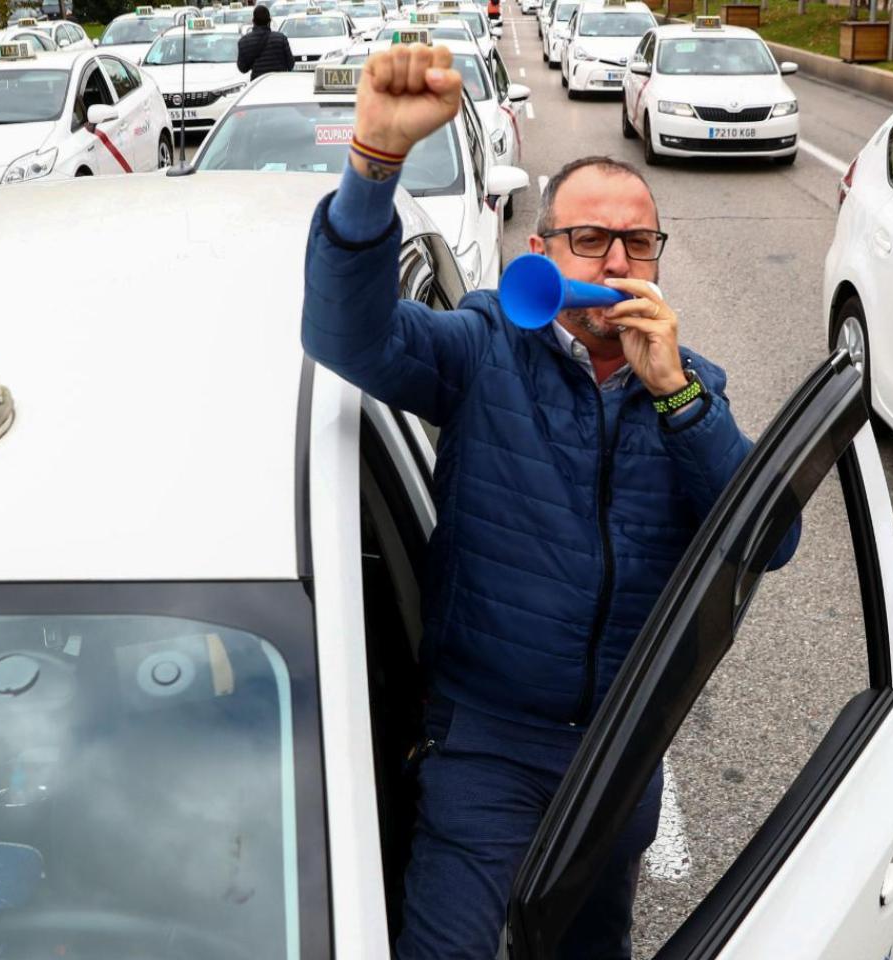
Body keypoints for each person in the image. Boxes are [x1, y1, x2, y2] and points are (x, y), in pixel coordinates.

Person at [300, 43, 799, 960]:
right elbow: (347, 331)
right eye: (588, 240)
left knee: (587, 945)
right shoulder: (486, 347)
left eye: (637, 242)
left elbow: (770, 537)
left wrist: (678, 395)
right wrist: (372, 167)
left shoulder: (692, 391)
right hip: (486, 737)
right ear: (542, 251)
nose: (613, 261)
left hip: (616, 750)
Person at [237, 5, 295, 78]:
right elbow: (291, 64)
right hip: (280, 82)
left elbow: (242, 69)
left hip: (258, 84)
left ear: (253, 21)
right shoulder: (281, 38)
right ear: (269, 21)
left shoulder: (243, 42)